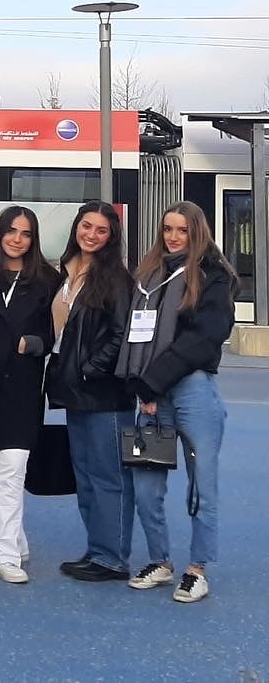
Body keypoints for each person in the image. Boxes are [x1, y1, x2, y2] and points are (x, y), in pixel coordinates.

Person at [118, 201, 236, 603]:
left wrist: (152, 382)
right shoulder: (148, 276)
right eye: (167, 229)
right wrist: (143, 387)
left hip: (193, 392)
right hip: (151, 395)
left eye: (182, 230)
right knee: (146, 485)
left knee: (203, 486)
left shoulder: (215, 278)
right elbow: (136, 338)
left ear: (197, 232)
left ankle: (197, 569)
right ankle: (160, 562)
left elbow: (202, 340)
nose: (173, 237)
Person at [0, 206, 60, 584]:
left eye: (25, 233)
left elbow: (58, 331)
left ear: (33, 239)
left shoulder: (48, 280)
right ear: (0, 233)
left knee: (11, 470)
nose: (17, 239)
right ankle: (15, 542)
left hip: (22, 386)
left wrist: (37, 343)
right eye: (11, 231)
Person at [47, 202, 136, 582]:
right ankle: (97, 550)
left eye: (102, 230)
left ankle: (113, 558)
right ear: (76, 228)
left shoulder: (115, 278)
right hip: (75, 392)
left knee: (109, 477)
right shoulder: (67, 272)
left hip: (103, 395)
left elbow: (121, 334)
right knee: (84, 476)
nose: (92, 235)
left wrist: (90, 370)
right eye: (87, 226)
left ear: (112, 237)